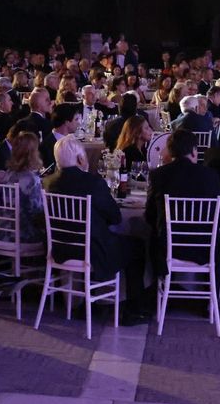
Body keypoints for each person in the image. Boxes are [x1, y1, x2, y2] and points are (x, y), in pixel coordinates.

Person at [42, 137, 150, 324]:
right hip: (93, 251)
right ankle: (135, 309)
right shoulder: (92, 183)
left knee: (102, 238)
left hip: (60, 249)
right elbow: (115, 217)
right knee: (137, 246)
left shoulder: (49, 183)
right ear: (80, 159)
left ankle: (89, 302)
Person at [144, 130, 220, 281]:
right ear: (194, 151)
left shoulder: (158, 175)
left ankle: (158, 292)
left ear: (170, 151)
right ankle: (211, 297)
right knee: (219, 240)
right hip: (205, 248)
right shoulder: (211, 176)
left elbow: (149, 215)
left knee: (153, 237)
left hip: (168, 247)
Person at [0, 131, 45, 243]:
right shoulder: (32, 180)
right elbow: (38, 213)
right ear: (34, 153)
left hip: (3, 232)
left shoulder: (7, 175)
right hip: (25, 235)